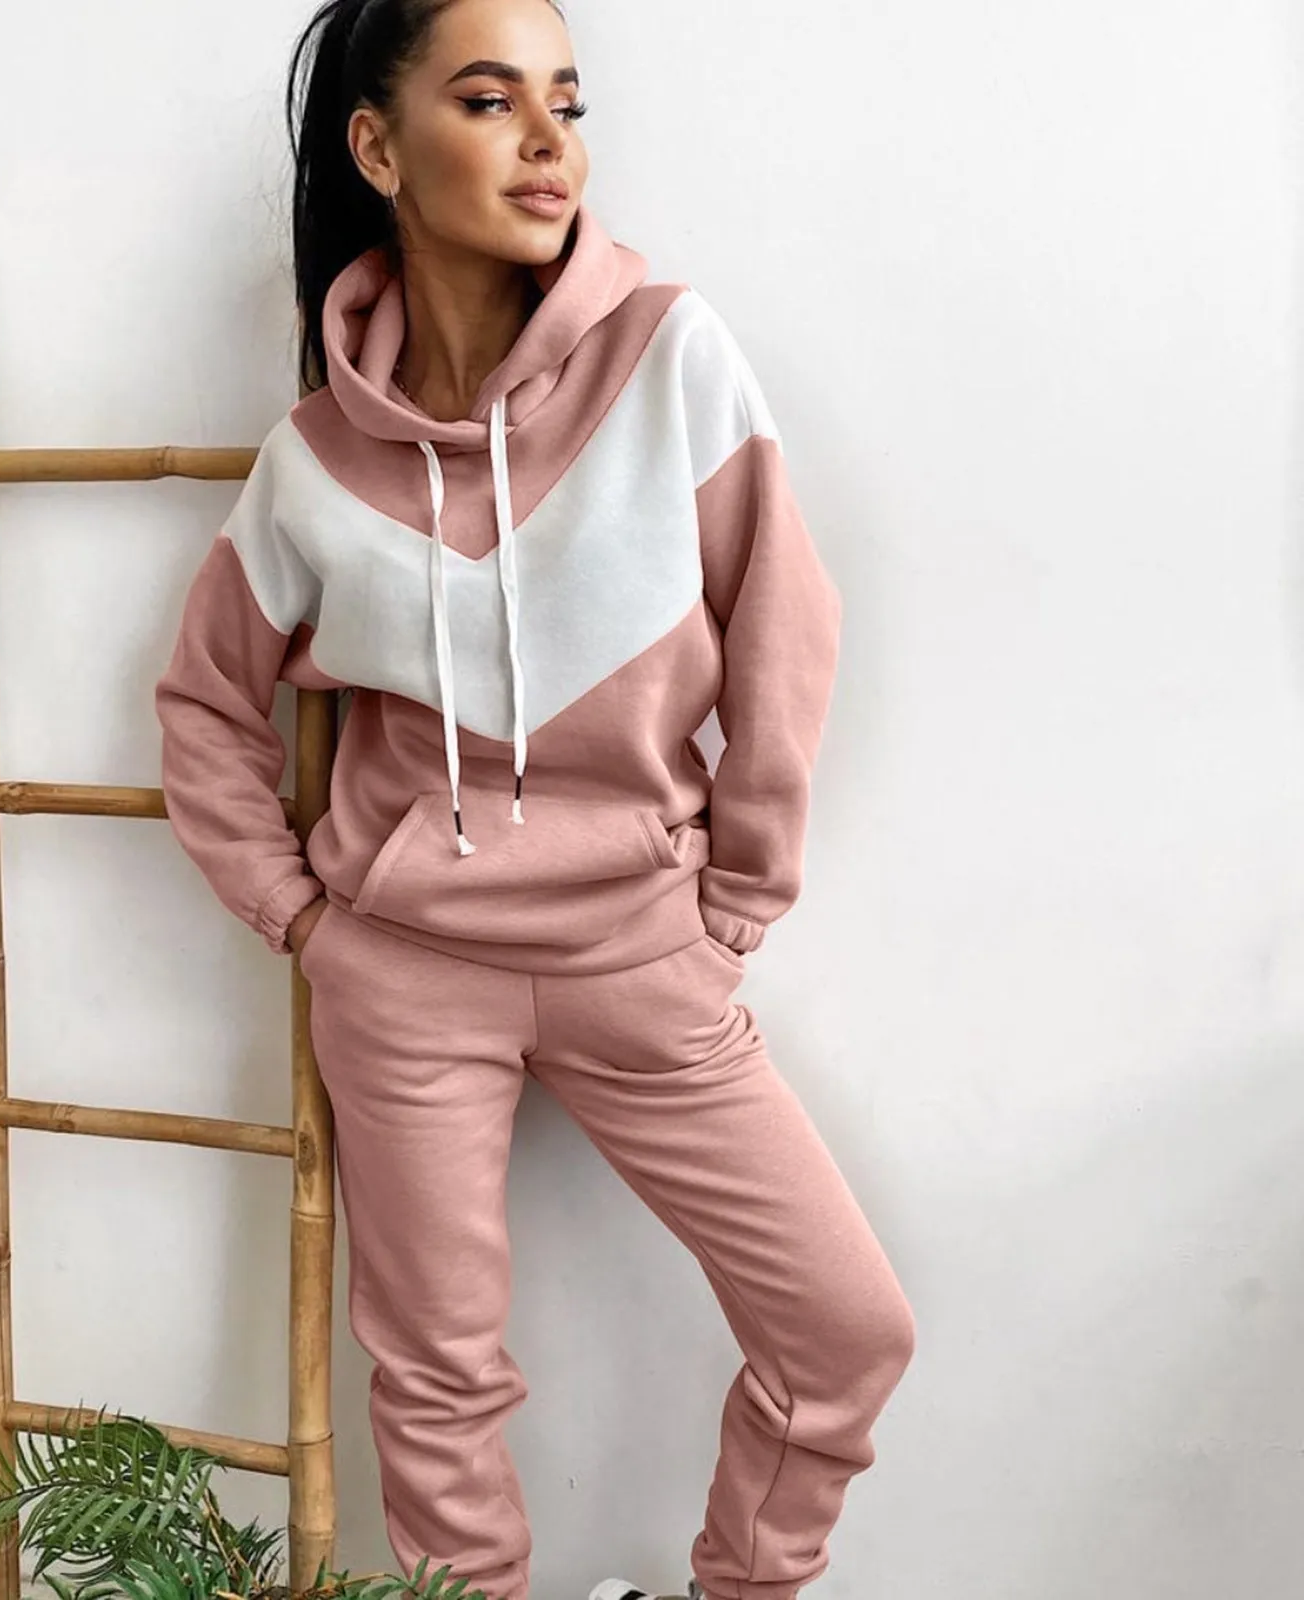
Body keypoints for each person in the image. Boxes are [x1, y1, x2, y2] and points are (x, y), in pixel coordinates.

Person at [154, 1, 917, 1597]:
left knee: (846, 1331)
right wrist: (303, 921)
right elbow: (207, 704)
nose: (548, 143)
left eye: (567, 102)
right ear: (379, 148)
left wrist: (736, 904)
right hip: (403, 980)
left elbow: (786, 625)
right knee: (436, 1382)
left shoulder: (670, 358)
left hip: (645, 958)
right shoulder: (312, 464)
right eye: (491, 100)